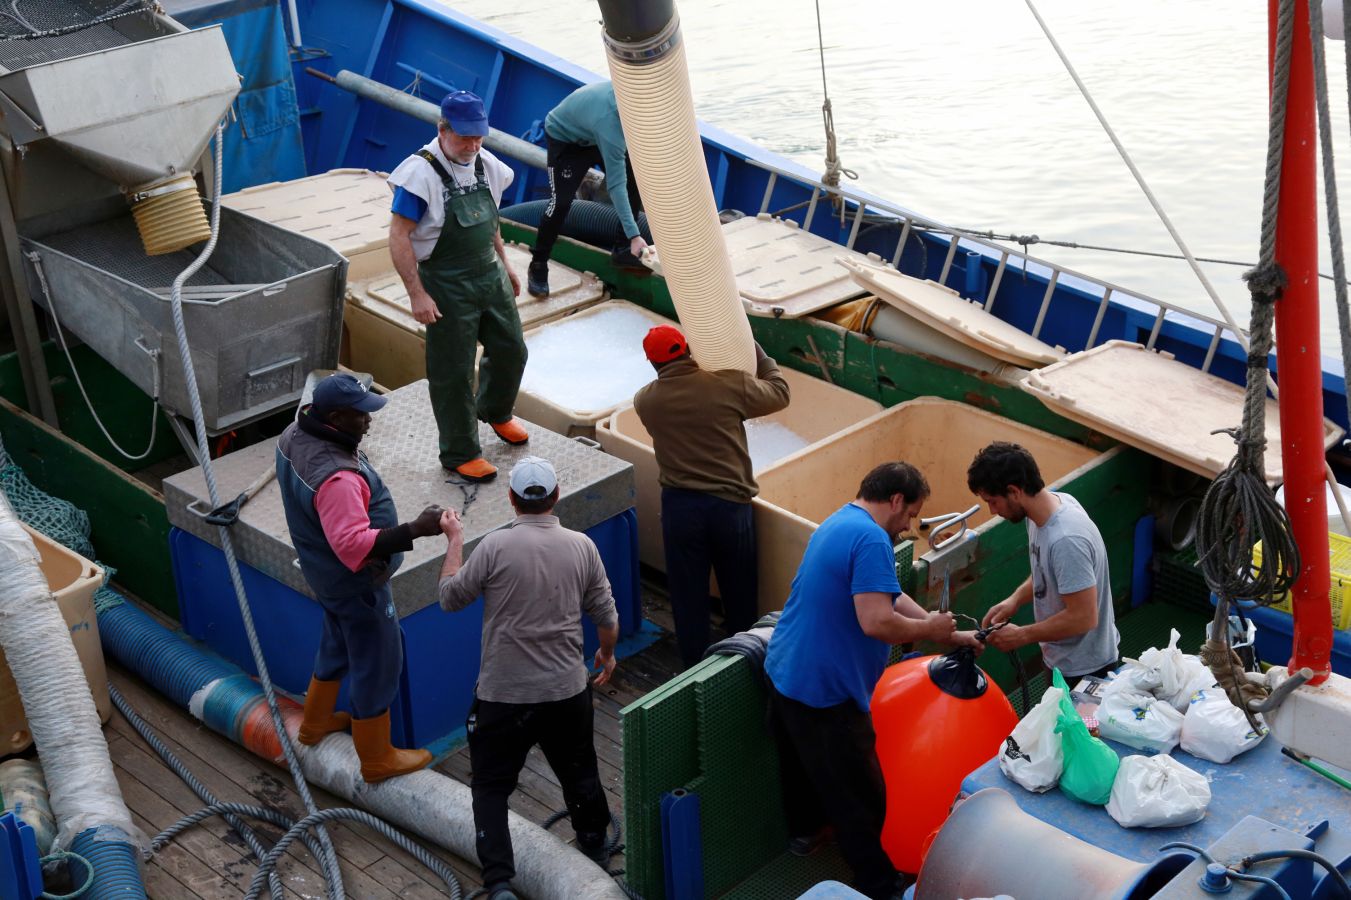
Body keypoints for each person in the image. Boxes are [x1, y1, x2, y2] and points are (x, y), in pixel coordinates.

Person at [763, 462, 982, 900]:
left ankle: (805, 834)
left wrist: (947, 633)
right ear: (896, 500)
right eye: (910, 515)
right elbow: (877, 621)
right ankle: (879, 887)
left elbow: (890, 594)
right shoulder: (871, 539)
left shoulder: (841, 521)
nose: (909, 526)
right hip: (826, 692)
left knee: (803, 767)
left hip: (785, 670)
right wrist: (931, 630)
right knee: (862, 796)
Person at [437, 456, 618, 900]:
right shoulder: (582, 546)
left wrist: (455, 539)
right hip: (566, 691)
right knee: (580, 771)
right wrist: (607, 655)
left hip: (504, 696)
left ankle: (499, 883)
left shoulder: (495, 547)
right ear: (556, 497)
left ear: (512, 500)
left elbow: (449, 598)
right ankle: (594, 849)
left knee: (491, 788)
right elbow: (606, 617)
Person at [276, 373, 437, 782]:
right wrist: (417, 528)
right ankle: (376, 758)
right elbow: (352, 545)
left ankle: (314, 724)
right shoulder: (337, 477)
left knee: (336, 643)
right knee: (377, 662)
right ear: (334, 417)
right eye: (360, 415)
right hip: (357, 584)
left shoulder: (294, 434)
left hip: (324, 574)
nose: (369, 421)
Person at [388, 89, 529, 483]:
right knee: (452, 371)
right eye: (464, 136)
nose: (471, 145)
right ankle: (459, 451)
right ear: (442, 129)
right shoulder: (419, 174)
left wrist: (506, 264)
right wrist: (417, 293)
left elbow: (491, 220)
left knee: (512, 349)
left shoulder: (486, 164)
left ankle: (496, 411)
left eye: (478, 136)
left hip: (489, 272)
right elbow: (399, 236)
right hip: (446, 282)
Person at [632, 325, 791, 666]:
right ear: (687, 348)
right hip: (729, 507)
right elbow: (780, 392)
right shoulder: (728, 384)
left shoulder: (646, 401)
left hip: (680, 509)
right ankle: (743, 664)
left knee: (688, 598)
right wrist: (759, 354)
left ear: (652, 362)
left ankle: (693, 669)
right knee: (739, 594)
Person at [967, 441, 1120, 681]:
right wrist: (1015, 599)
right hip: (1061, 659)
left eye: (993, 501)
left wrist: (1022, 635)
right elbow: (1049, 573)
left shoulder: (1066, 539)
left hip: (1085, 670)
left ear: (1015, 491)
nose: (992, 511)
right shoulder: (1047, 509)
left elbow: (1084, 617)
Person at [527, 81, 648, 298]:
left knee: (637, 177)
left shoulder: (637, 101)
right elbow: (616, 186)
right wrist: (635, 234)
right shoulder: (610, 124)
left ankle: (622, 250)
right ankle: (538, 263)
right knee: (561, 203)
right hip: (566, 139)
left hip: (592, 132)